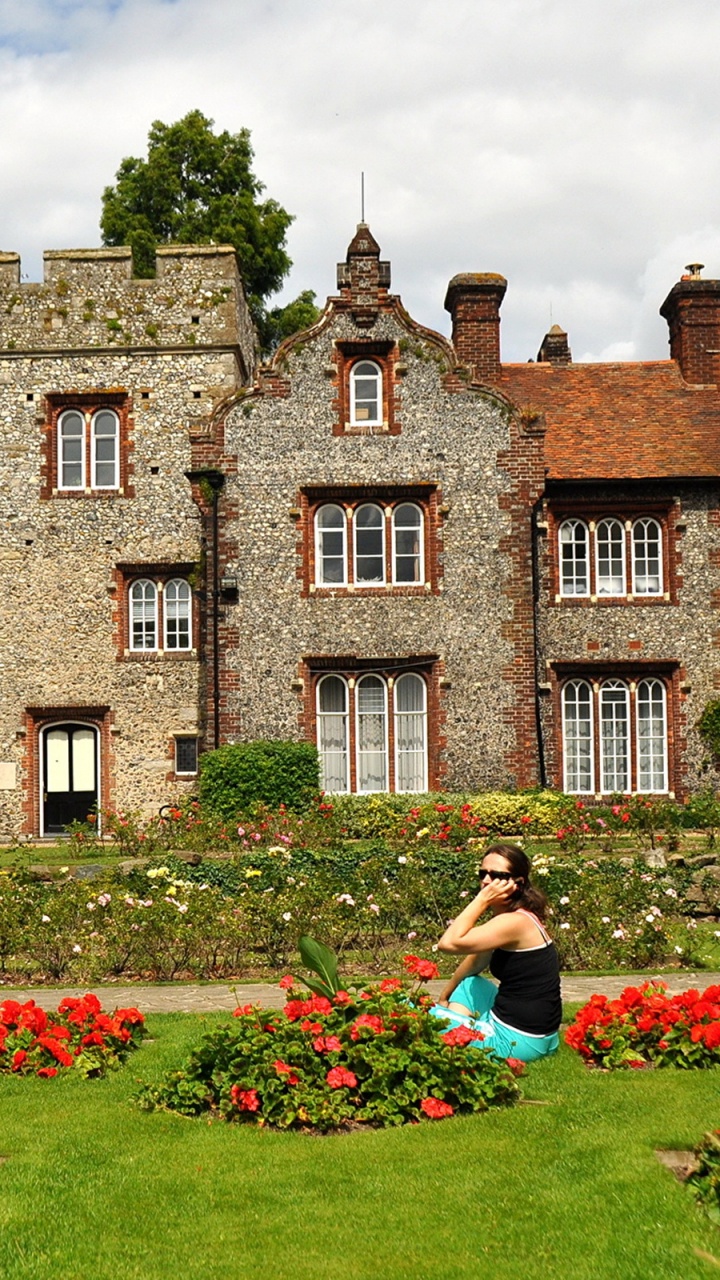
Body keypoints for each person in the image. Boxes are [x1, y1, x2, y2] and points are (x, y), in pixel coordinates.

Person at [431, 842, 561, 1062]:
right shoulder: (520, 917)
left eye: (497, 875)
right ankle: (459, 1042)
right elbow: (476, 961)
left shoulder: (514, 923)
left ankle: (458, 1043)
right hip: (542, 1037)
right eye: (483, 873)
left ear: (517, 884)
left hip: (516, 1041)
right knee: (470, 984)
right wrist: (445, 996)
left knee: (413, 1013)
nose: (486, 881)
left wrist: (481, 899)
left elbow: (448, 943)